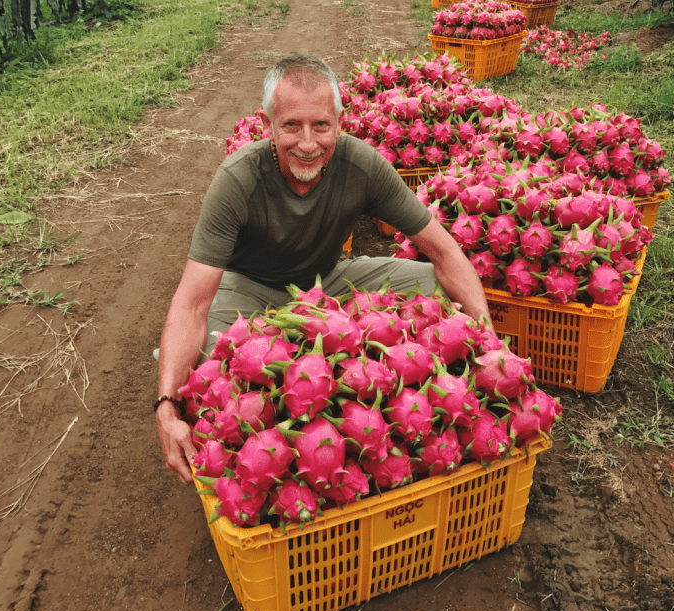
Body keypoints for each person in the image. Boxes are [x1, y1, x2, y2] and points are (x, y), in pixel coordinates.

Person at [156, 54, 491, 483]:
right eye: (291, 125)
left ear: (340, 121)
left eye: (321, 126)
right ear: (268, 125)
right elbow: (191, 304)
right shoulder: (238, 179)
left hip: (327, 282)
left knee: (435, 286)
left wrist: (485, 336)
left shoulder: (362, 166)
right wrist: (165, 405)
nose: (308, 143)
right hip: (249, 293)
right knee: (207, 364)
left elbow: (444, 253)